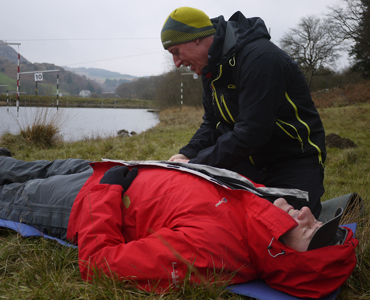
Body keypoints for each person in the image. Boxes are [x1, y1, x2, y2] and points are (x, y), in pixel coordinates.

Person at [0, 153, 357, 299]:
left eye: (310, 232)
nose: (309, 215)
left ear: (286, 257)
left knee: (14, 192)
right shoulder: (262, 209)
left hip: (81, 200)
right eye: (322, 222)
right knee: (25, 165)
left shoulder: (211, 254)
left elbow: (100, 263)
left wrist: (108, 191)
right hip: (127, 167)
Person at [161, 7, 327, 218]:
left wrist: (196, 164)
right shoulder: (210, 69)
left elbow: (252, 133)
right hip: (248, 160)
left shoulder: (260, 58)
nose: (176, 63)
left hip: (293, 160)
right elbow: (212, 123)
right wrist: (187, 154)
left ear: (197, 39)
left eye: (176, 52)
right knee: (212, 213)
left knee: (287, 232)